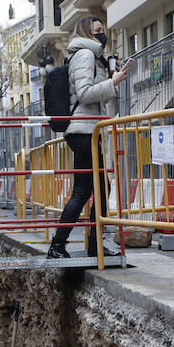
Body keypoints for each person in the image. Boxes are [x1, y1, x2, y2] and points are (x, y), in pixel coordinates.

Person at [46, 16, 130, 259]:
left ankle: (93, 245)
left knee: (99, 189)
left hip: (89, 129)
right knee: (85, 191)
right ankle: (59, 246)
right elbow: (84, 94)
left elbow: (96, 97)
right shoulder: (84, 55)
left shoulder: (93, 57)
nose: (102, 34)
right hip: (83, 131)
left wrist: (110, 76)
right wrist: (112, 82)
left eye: (103, 29)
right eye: (98, 30)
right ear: (87, 33)